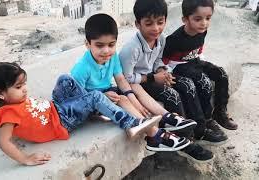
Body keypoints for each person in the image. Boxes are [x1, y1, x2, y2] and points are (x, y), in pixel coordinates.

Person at [0, 62, 191, 165]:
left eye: (24, 84)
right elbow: (4, 142)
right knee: (95, 98)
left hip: (57, 108)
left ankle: (94, 108)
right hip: (63, 121)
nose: (25, 90)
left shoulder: (11, 103)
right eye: (18, 87)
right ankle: (130, 123)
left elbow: (1, 108)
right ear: (0, 93)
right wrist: (25, 159)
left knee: (65, 79)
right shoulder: (8, 114)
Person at [71, 13, 195, 152]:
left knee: (134, 85)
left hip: (107, 92)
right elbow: (76, 98)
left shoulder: (112, 57)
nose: (106, 51)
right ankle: (155, 136)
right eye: (99, 45)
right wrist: (102, 97)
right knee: (122, 98)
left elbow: (120, 79)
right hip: (93, 101)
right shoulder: (81, 68)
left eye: (111, 45)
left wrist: (133, 98)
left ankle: (166, 116)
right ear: (87, 44)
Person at [119, 0, 222, 162]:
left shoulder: (161, 40)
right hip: (139, 83)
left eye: (160, 22)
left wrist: (161, 71)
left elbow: (159, 60)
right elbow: (127, 78)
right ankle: (186, 142)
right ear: (137, 24)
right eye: (149, 23)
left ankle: (199, 128)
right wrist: (154, 77)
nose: (156, 28)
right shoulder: (131, 49)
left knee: (187, 85)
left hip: (154, 77)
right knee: (172, 95)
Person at [162, 0, 238, 130]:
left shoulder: (202, 31)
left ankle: (220, 112)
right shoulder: (174, 40)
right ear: (185, 19)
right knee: (204, 83)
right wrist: (166, 74)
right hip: (177, 66)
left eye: (208, 18)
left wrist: (203, 62)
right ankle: (206, 120)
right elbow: (163, 60)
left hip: (194, 61)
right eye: (198, 19)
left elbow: (199, 48)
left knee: (221, 73)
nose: (204, 23)